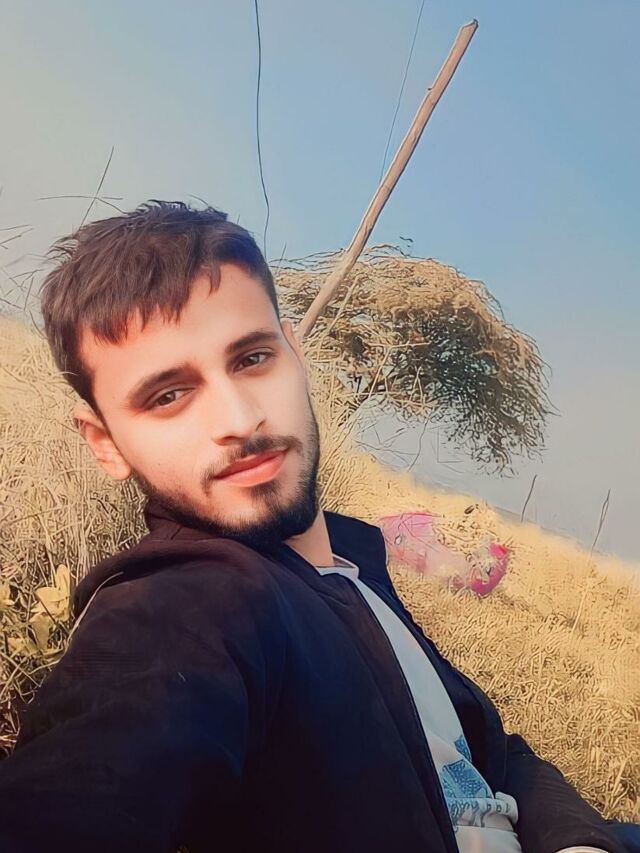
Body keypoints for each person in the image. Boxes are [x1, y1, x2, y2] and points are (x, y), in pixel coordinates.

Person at [0, 200, 636, 853]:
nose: (240, 418)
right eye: (169, 395)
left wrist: (579, 843)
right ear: (105, 443)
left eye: (252, 358)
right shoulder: (191, 605)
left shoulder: (357, 568)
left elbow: (495, 754)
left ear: (294, 353)